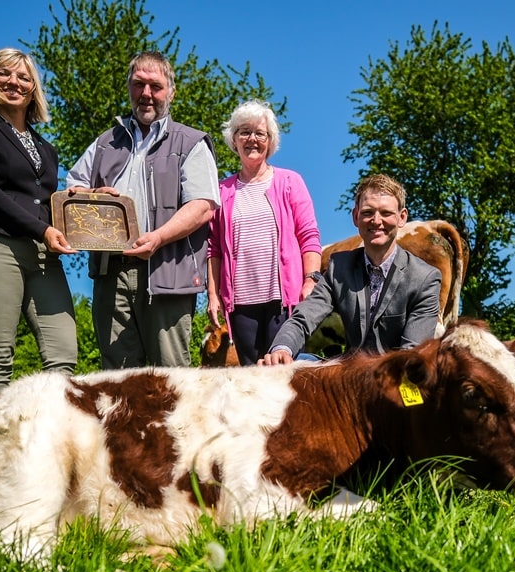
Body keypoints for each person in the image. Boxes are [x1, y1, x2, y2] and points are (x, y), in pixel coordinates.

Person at [66, 51, 220, 369]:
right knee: (118, 379)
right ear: (129, 88)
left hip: (167, 272)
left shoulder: (191, 142)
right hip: (111, 274)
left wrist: (158, 238)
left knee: (170, 378)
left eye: (155, 86)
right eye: (138, 85)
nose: (146, 94)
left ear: (171, 91)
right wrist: (92, 195)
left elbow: (203, 206)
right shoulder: (104, 143)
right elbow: (71, 190)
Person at [0, 48, 77, 408]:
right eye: (4, 74)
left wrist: (86, 205)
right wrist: (42, 230)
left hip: (42, 255)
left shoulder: (45, 148)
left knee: (63, 352)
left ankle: (52, 444)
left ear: (33, 87)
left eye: (23, 77)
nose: (14, 82)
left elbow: (47, 200)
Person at [260, 174, 441, 365]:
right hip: (348, 375)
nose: (376, 220)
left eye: (386, 213)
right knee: (292, 364)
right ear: (355, 217)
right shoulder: (339, 267)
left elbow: (411, 354)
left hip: (394, 376)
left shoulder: (425, 278)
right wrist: (282, 349)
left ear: (402, 217)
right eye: (367, 212)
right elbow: (303, 318)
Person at [207, 100, 323, 365]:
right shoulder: (221, 191)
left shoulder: (289, 182)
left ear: (270, 141)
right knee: (251, 377)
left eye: (260, 133)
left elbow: (309, 235)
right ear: (233, 140)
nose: (252, 139)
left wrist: (311, 279)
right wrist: (213, 296)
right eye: (244, 132)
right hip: (241, 306)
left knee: (284, 374)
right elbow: (213, 249)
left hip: (282, 302)